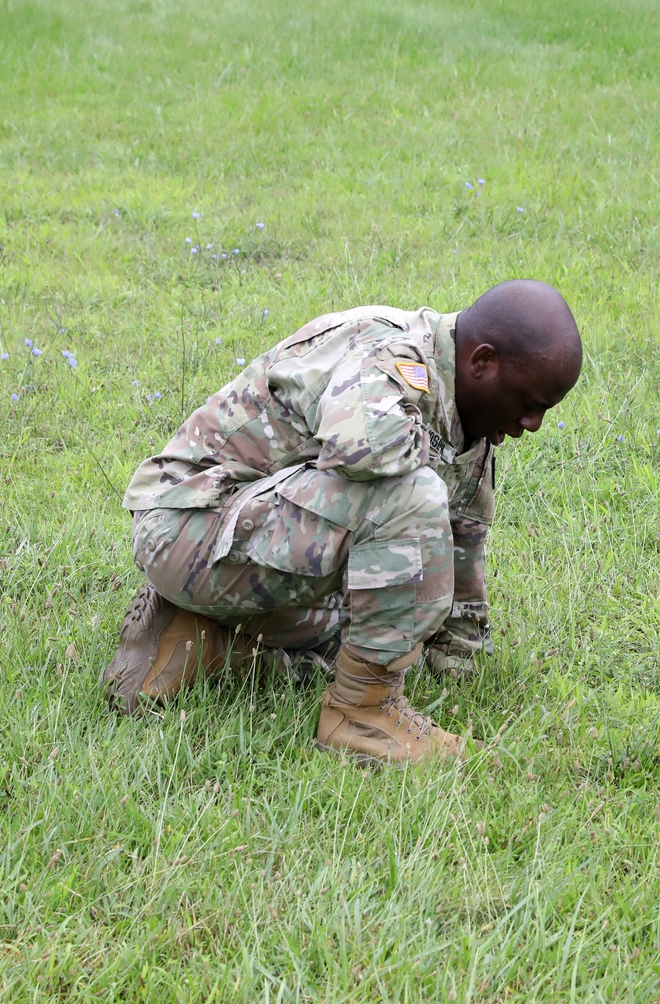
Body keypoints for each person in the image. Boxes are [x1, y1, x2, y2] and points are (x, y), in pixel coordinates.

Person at [101, 280, 582, 764]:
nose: (534, 424)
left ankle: (203, 640)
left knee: (385, 617)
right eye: (531, 403)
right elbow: (360, 446)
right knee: (412, 496)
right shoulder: (391, 353)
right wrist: (433, 457)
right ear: (482, 362)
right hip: (187, 527)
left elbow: (461, 553)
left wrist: (454, 664)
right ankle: (362, 714)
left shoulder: (470, 423)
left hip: (242, 540)